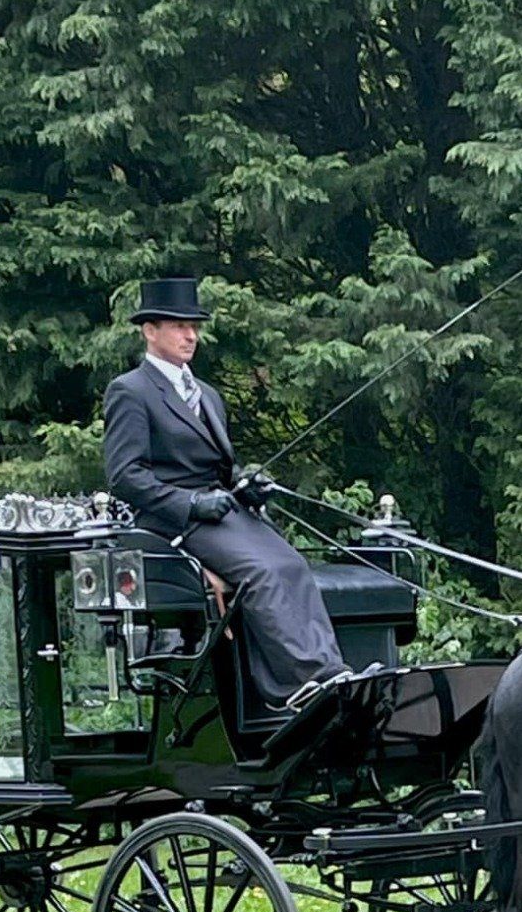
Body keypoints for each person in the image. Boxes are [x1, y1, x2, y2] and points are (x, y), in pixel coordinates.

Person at [102, 278, 350, 707]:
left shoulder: (208, 396)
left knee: (291, 564)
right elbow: (126, 476)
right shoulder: (131, 391)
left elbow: (218, 467)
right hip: (171, 519)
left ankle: (330, 671)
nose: (191, 336)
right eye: (179, 326)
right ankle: (298, 685)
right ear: (150, 330)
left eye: (194, 326)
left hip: (221, 512)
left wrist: (245, 484)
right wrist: (191, 504)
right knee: (264, 571)